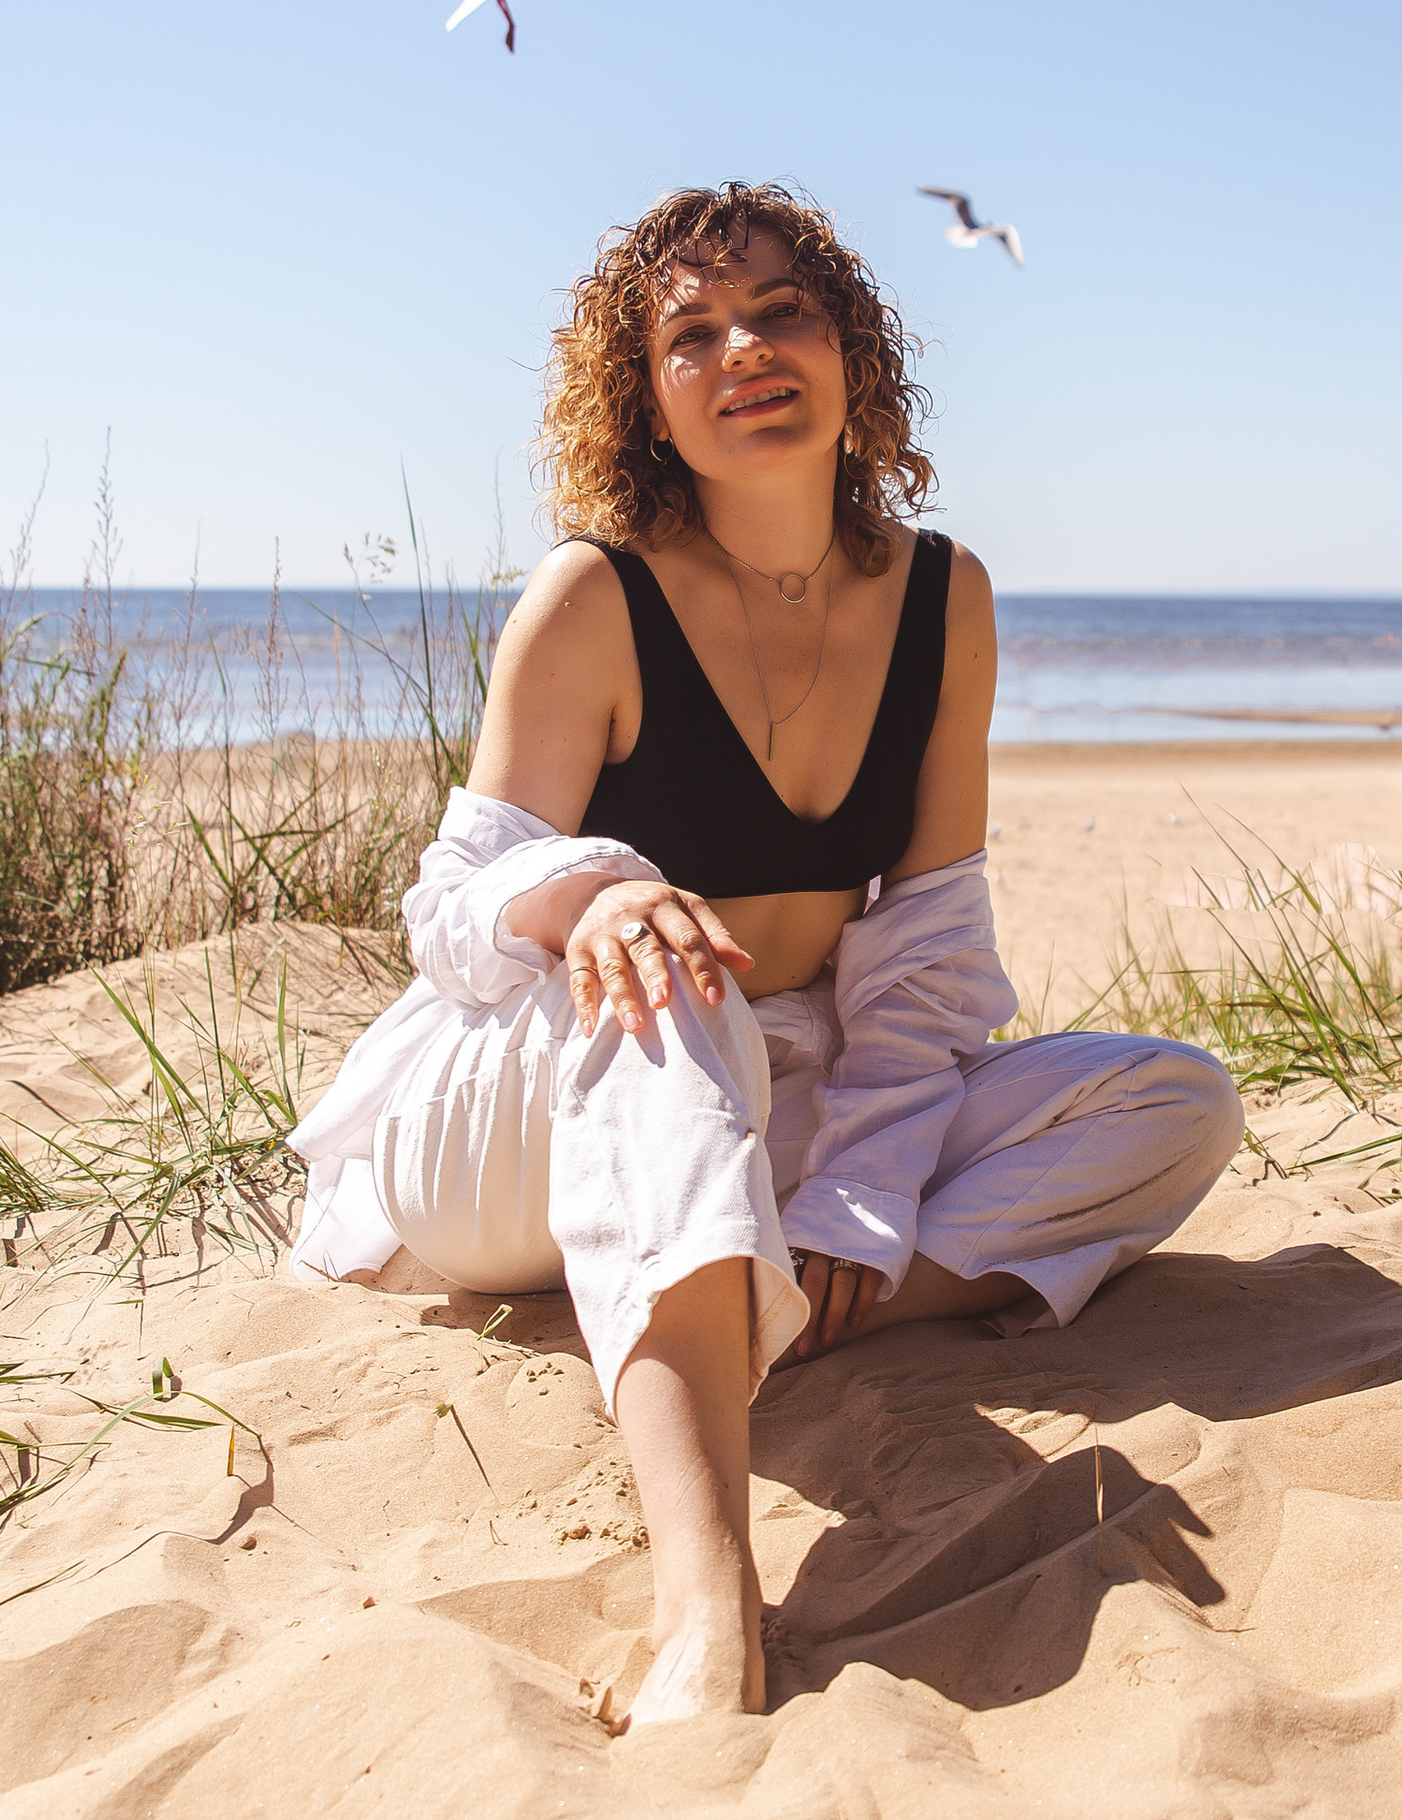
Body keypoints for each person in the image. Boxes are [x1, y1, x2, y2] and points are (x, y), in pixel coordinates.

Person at [288, 184, 1243, 1723]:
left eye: (784, 309)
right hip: (508, 1115)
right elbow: (454, 910)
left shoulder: (942, 598)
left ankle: (745, 1300)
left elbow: (927, 953)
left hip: (755, 1090)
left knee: (1172, 1103)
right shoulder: (594, 596)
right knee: (672, 984)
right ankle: (709, 1603)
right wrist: (586, 894)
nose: (745, 347)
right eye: (693, 333)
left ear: (851, 349)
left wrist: (860, 1201)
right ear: (648, 399)